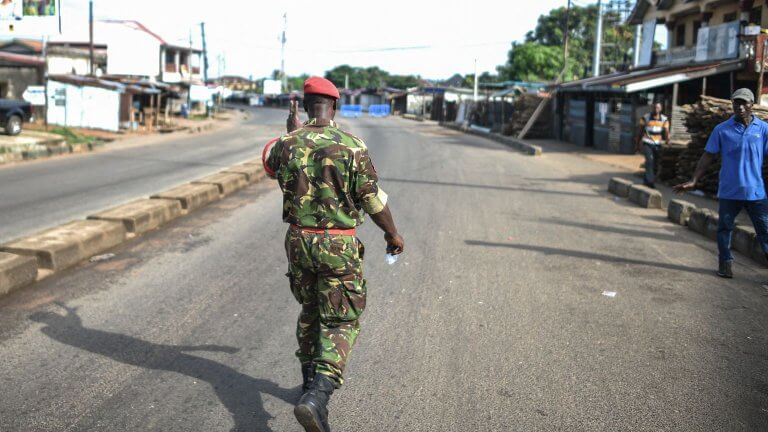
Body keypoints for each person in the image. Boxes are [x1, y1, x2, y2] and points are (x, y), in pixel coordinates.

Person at [264, 76, 404, 432]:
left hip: (298, 242)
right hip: (337, 246)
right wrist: (392, 234)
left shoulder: (287, 143)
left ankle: (310, 385)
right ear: (336, 106)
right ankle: (319, 394)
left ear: (306, 106)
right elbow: (372, 200)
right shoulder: (352, 146)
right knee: (341, 319)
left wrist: (291, 132)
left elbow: (271, 167)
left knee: (310, 310)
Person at [674, 88, 768, 279]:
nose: (740, 107)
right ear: (732, 104)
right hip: (729, 191)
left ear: (752, 105)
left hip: (756, 192)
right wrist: (694, 180)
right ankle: (725, 265)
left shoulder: (763, 129)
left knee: (765, 231)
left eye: (744, 103)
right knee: (724, 229)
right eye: (736, 103)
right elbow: (708, 156)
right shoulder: (722, 130)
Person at [637, 102, 670, 188]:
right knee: (650, 160)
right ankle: (650, 182)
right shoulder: (645, 117)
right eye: (655, 108)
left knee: (655, 164)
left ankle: (646, 180)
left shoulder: (664, 119)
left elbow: (666, 131)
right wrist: (637, 143)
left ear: (661, 109)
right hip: (647, 142)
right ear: (652, 108)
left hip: (657, 144)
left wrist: (667, 140)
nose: (656, 109)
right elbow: (640, 131)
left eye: (658, 108)